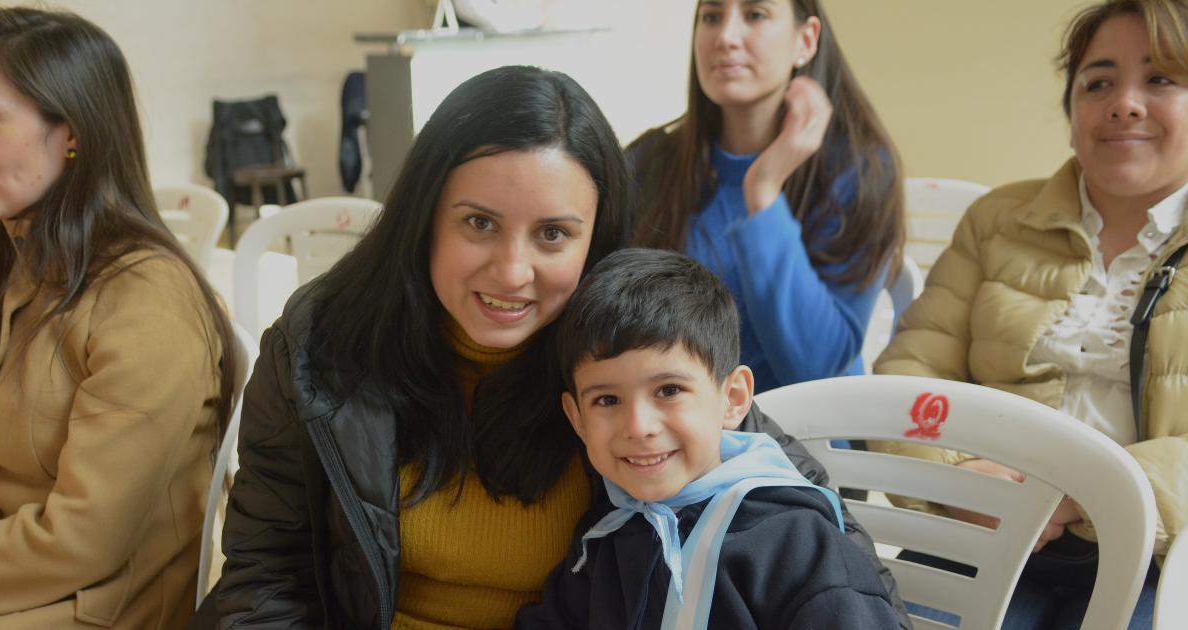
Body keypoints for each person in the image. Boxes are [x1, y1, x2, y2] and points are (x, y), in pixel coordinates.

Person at [196, 65, 909, 629]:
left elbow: (796, 505)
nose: (511, 272)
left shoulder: (621, 352)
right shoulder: (322, 344)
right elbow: (266, 578)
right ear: (424, 217)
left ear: (596, 239)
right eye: (478, 223)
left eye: (553, 235)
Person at [871, 0, 1188, 627]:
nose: (1124, 102)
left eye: (1160, 78)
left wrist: (1084, 493)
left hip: (1156, 550)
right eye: (1098, 82)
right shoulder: (997, 219)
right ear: (1071, 110)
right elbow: (908, 375)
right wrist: (961, 481)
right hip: (980, 526)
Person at [0, 7, 235, 629]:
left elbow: (81, 541)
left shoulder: (147, 299)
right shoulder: (14, 256)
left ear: (72, 133)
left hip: (95, 606)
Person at [514, 248, 901, 629]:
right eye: (607, 400)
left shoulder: (799, 548)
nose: (638, 426)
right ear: (576, 418)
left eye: (668, 391)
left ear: (733, 399)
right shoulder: (605, 532)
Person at [628, 0, 905, 393]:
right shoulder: (648, 162)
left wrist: (763, 190)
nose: (725, 36)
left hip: (805, 439)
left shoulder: (858, 172)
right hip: (667, 432)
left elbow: (818, 372)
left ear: (805, 40)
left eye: (755, 15)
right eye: (711, 16)